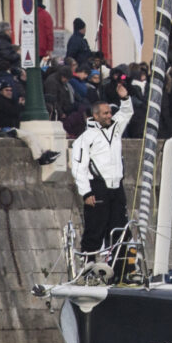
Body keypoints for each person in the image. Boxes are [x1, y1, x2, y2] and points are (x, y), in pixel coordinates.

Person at [70, 98, 124, 258]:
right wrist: (86, 193)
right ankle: (88, 267)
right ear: (96, 115)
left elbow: (127, 113)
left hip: (117, 188)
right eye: (105, 113)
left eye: (110, 112)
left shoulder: (116, 130)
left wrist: (126, 98)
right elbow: (79, 167)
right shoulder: (85, 139)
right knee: (95, 229)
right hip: (98, 188)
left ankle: (121, 270)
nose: (109, 116)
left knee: (120, 230)